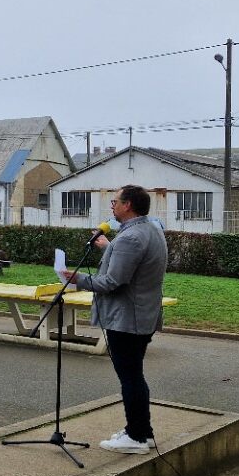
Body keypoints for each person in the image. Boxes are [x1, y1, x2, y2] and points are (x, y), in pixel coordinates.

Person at [64, 185, 167, 455]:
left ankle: (136, 437)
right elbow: (132, 265)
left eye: (115, 201)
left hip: (127, 319)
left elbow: (112, 281)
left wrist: (77, 279)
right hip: (141, 315)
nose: (112, 206)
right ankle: (143, 431)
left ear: (128, 205)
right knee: (134, 374)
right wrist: (108, 248)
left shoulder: (130, 237)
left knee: (130, 377)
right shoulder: (151, 229)